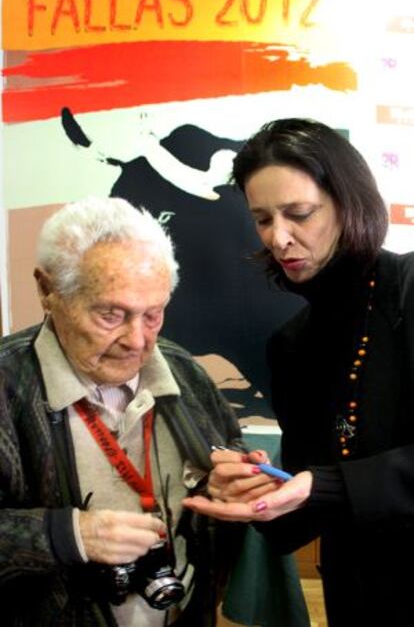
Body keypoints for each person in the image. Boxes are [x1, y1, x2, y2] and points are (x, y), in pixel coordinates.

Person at [183, 118, 414, 627]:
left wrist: (321, 486)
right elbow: (304, 508)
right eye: (263, 219)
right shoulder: (290, 345)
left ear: (350, 203)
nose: (279, 237)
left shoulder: (407, 289)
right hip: (355, 597)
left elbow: (327, 485)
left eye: (299, 213)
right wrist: (257, 492)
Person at [0, 196, 245, 627]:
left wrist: (231, 480)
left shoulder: (184, 371)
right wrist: (67, 536)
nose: (137, 341)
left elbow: (227, 449)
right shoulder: (7, 385)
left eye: (153, 314)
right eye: (111, 314)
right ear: (47, 290)